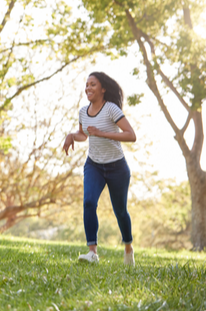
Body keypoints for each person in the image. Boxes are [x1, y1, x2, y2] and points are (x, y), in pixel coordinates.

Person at [63, 72, 137, 266]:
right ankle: (92, 253)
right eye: (86, 85)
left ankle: (128, 247)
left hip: (117, 167)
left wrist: (102, 133)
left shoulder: (111, 109)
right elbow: (83, 135)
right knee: (88, 202)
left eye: (93, 84)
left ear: (103, 88)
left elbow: (131, 135)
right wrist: (72, 135)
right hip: (94, 165)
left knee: (120, 211)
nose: (88, 88)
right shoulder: (83, 112)